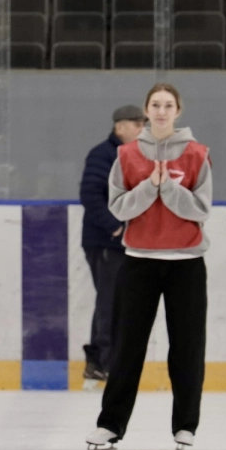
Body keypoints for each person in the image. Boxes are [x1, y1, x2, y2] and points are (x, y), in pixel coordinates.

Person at [85, 83, 212, 450]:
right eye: (155, 104)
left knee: (187, 348)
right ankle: (110, 425)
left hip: (186, 263)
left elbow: (201, 210)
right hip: (139, 261)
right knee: (127, 347)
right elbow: (120, 208)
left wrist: (167, 189)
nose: (161, 111)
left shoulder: (197, 153)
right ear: (146, 110)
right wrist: (148, 186)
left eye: (168, 105)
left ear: (178, 111)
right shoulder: (125, 155)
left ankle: (185, 427)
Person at [79, 105, 147, 390]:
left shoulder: (137, 155)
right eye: (136, 124)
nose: (142, 129)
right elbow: (90, 194)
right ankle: (103, 364)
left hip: (124, 243)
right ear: (120, 127)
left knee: (116, 302)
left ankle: (101, 363)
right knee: (111, 302)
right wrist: (114, 226)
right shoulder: (104, 154)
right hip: (106, 242)